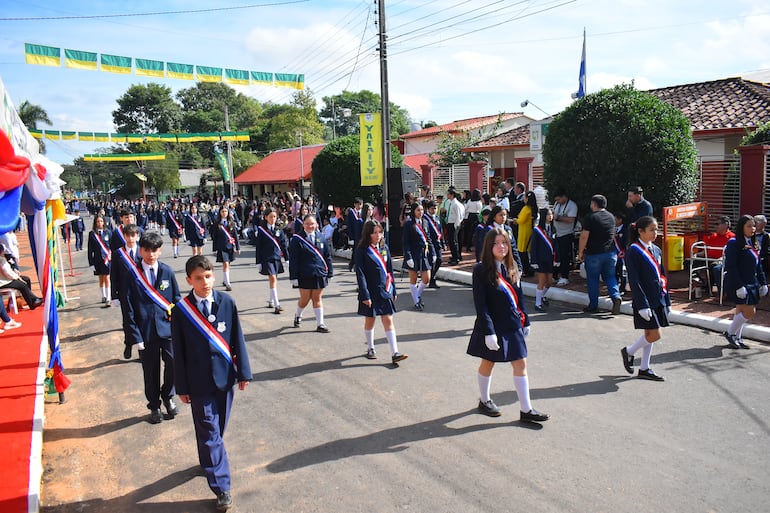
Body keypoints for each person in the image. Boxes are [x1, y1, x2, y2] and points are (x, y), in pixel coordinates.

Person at [171, 256, 252, 512]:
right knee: (209, 429)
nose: (204, 282)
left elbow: (236, 338)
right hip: (197, 381)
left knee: (216, 429)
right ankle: (222, 486)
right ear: (188, 280)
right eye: (198, 278)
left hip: (224, 377)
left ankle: (208, 460)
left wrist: (244, 374)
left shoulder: (227, 302)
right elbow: (179, 352)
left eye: (207, 276)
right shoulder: (182, 311)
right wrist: (181, 387)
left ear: (214, 276)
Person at [467, 227, 549, 422]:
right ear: (489, 246)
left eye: (504, 242)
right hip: (493, 326)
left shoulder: (512, 267)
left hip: (512, 324)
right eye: (496, 243)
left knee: (521, 363)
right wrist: (488, 332)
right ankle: (485, 400)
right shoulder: (480, 270)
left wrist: (526, 320)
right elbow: (481, 304)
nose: (501, 247)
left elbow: (519, 298)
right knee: (488, 362)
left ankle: (526, 410)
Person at [123, 231, 182, 424]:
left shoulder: (167, 271)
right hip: (145, 332)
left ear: (160, 250)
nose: (151, 254)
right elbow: (128, 308)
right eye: (147, 250)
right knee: (151, 371)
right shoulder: (132, 275)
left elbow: (176, 300)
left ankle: (168, 395)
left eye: (155, 250)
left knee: (174, 363)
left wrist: (180, 325)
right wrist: (134, 335)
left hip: (168, 328)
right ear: (141, 251)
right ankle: (154, 405)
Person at [620, 216, 671, 381]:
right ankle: (629, 351)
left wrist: (667, 299)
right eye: (652, 230)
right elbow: (635, 280)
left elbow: (662, 274)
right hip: (645, 300)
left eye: (656, 229)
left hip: (657, 297)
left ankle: (644, 368)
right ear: (640, 231)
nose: (655, 233)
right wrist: (641, 304)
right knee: (655, 334)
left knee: (649, 333)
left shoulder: (656, 249)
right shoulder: (634, 250)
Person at [354, 220, 408, 364]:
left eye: (380, 232)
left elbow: (389, 270)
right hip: (370, 291)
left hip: (384, 290)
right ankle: (370, 348)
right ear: (368, 234)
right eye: (374, 232)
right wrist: (364, 294)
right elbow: (360, 273)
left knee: (388, 319)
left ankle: (395, 352)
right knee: (370, 320)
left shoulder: (384, 248)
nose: (378, 235)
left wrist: (393, 289)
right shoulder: (362, 250)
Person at [722, 215, 768, 349]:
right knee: (750, 311)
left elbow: (758, 265)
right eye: (749, 226)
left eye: (753, 226)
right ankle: (730, 333)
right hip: (739, 283)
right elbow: (731, 266)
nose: (752, 228)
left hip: (752, 283)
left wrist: (763, 282)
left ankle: (737, 337)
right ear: (741, 227)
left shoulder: (753, 243)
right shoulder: (734, 243)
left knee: (740, 310)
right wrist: (739, 285)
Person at [577, 195, 622, 315]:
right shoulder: (611, 217)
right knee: (610, 276)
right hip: (610, 252)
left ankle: (593, 306)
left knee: (593, 279)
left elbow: (584, 236)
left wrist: (580, 252)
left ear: (594, 204)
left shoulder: (590, 217)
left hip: (593, 253)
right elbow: (613, 233)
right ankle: (615, 296)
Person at [289, 215, 334, 333]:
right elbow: (294, 259)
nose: (310, 226)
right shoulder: (297, 239)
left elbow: (327, 256)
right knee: (305, 298)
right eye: (307, 224)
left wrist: (330, 272)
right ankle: (298, 315)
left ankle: (320, 324)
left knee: (317, 298)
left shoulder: (321, 237)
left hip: (319, 273)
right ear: (303, 225)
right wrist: (293, 277)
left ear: (316, 225)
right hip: (304, 274)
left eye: (312, 224)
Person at [109, 223, 142, 359]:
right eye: (128, 236)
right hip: (125, 293)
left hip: (141, 292)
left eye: (133, 235)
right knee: (128, 320)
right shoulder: (118, 254)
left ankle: (142, 351)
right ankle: (128, 343)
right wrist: (114, 295)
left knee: (141, 320)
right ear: (124, 236)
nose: (130, 239)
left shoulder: (143, 251)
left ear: (137, 236)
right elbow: (114, 275)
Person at [402, 202, 435, 310]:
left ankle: (418, 295)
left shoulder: (425, 222)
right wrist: (408, 257)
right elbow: (405, 242)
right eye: (418, 210)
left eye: (421, 210)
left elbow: (429, 238)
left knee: (426, 279)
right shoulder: (409, 224)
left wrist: (433, 252)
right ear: (413, 211)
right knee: (414, 279)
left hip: (424, 254)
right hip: (413, 254)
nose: (420, 212)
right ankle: (416, 301)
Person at [255, 208, 289, 314]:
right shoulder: (262, 230)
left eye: (274, 216)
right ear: (265, 217)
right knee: (273, 278)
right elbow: (259, 247)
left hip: (276, 257)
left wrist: (287, 258)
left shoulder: (279, 229)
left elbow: (283, 244)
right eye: (270, 217)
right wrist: (258, 262)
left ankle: (271, 300)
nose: (273, 219)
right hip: (267, 258)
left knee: (274, 280)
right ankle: (277, 305)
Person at [529, 207, 556, 311]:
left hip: (549, 259)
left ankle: (542, 296)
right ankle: (538, 303)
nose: (551, 217)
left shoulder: (553, 229)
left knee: (549, 282)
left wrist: (556, 259)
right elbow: (533, 246)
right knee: (542, 280)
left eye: (551, 214)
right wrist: (534, 261)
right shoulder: (537, 230)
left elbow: (555, 245)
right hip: (540, 259)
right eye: (549, 215)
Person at [551, 189, 578, 286]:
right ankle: (554, 275)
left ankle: (564, 276)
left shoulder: (572, 206)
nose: (557, 202)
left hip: (566, 234)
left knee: (564, 257)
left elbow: (571, 219)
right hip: (557, 233)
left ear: (564, 197)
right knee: (556, 256)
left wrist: (558, 217)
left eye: (559, 199)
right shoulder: (556, 204)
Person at [87, 215, 113, 305]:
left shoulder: (108, 232)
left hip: (107, 259)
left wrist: (112, 257)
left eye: (101, 221)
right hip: (97, 260)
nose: (100, 223)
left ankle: (109, 298)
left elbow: (112, 246)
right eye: (98, 221)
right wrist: (91, 263)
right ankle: (104, 296)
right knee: (101, 278)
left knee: (107, 277)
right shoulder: (92, 234)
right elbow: (90, 249)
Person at [215, 206, 241, 292]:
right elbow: (215, 236)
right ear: (220, 213)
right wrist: (215, 248)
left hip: (230, 247)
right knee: (225, 263)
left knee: (227, 264)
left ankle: (225, 279)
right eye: (222, 211)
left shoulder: (231, 223)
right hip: (222, 247)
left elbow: (235, 236)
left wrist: (238, 247)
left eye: (226, 211)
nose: (224, 213)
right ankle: (228, 283)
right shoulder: (217, 223)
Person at [514, 191, 537, 276]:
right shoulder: (533, 208)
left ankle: (526, 270)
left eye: (525, 197)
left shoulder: (526, 208)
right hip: (530, 231)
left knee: (522, 251)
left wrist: (515, 220)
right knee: (527, 251)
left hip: (524, 232)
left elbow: (520, 220)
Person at [424, 200, 445, 289]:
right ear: (428, 209)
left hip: (437, 243)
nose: (434, 210)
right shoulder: (425, 219)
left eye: (435, 208)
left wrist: (443, 243)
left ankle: (431, 276)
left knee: (439, 260)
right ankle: (432, 280)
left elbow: (441, 231)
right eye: (432, 209)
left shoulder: (437, 218)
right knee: (431, 262)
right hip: (430, 243)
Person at [445, 188, 465, 265]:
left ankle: (456, 257)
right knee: (454, 241)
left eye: (448, 194)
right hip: (452, 223)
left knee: (453, 242)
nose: (447, 195)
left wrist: (456, 226)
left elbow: (458, 216)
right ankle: (455, 256)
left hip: (454, 224)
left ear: (452, 195)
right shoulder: (452, 203)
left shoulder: (456, 204)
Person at [755, 215, 770, 280]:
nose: (755, 223)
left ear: (764, 224)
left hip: (763, 262)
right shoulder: (749, 234)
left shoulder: (767, 236)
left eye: (757, 222)